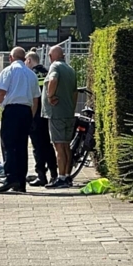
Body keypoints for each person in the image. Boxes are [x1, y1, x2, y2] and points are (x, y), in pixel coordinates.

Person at [0, 47, 40, 193]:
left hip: (12, 111)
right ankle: (21, 182)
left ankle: (11, 178)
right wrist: (32, 116)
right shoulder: (31, 74)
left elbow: (1, 93)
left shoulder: (8, 71)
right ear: (24, 59)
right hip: (26, 112)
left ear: (11, 58)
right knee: (22, 146)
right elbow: (36, 99)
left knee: (8, 145)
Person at [43, 45, 79, 188]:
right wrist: (71, 107)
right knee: (66, 146)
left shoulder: (55, 66)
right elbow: (75, 92)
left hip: (57, 113)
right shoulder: (70, 69)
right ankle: (68, 176)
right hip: (68, 113)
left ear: (52, 57)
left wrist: (49, 96)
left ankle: (61, 177)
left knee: (58, 146)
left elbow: (53, 79)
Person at [25, 51, 58, 187]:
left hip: (35, 114)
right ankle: (54, 173)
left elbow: (32, 96)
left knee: (37, 146)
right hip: (48, 114)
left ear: (28, 60)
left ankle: (41, 175)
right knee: (48, 145)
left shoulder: (31, 74)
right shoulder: (47, 72)